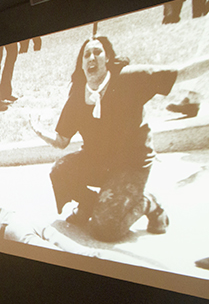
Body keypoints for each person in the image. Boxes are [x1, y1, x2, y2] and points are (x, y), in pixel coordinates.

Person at [31, 34, 209, 242]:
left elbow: (181, 72)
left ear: (108, 58)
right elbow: (62, 140)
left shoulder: (130, 79)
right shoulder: (78, 96)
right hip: (99, 163)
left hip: (131, 164)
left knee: (105, 229)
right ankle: (90, 205)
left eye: (97, 52)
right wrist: (38, 129)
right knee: (60, 171)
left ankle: (146, 202)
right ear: (81, 64)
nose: (91, 57)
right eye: (86, 54)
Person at [0, 196, 99, 257]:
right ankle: (108, 262)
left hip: (9, 232)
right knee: (78, 251)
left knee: (56, 258)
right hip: (21, 218)